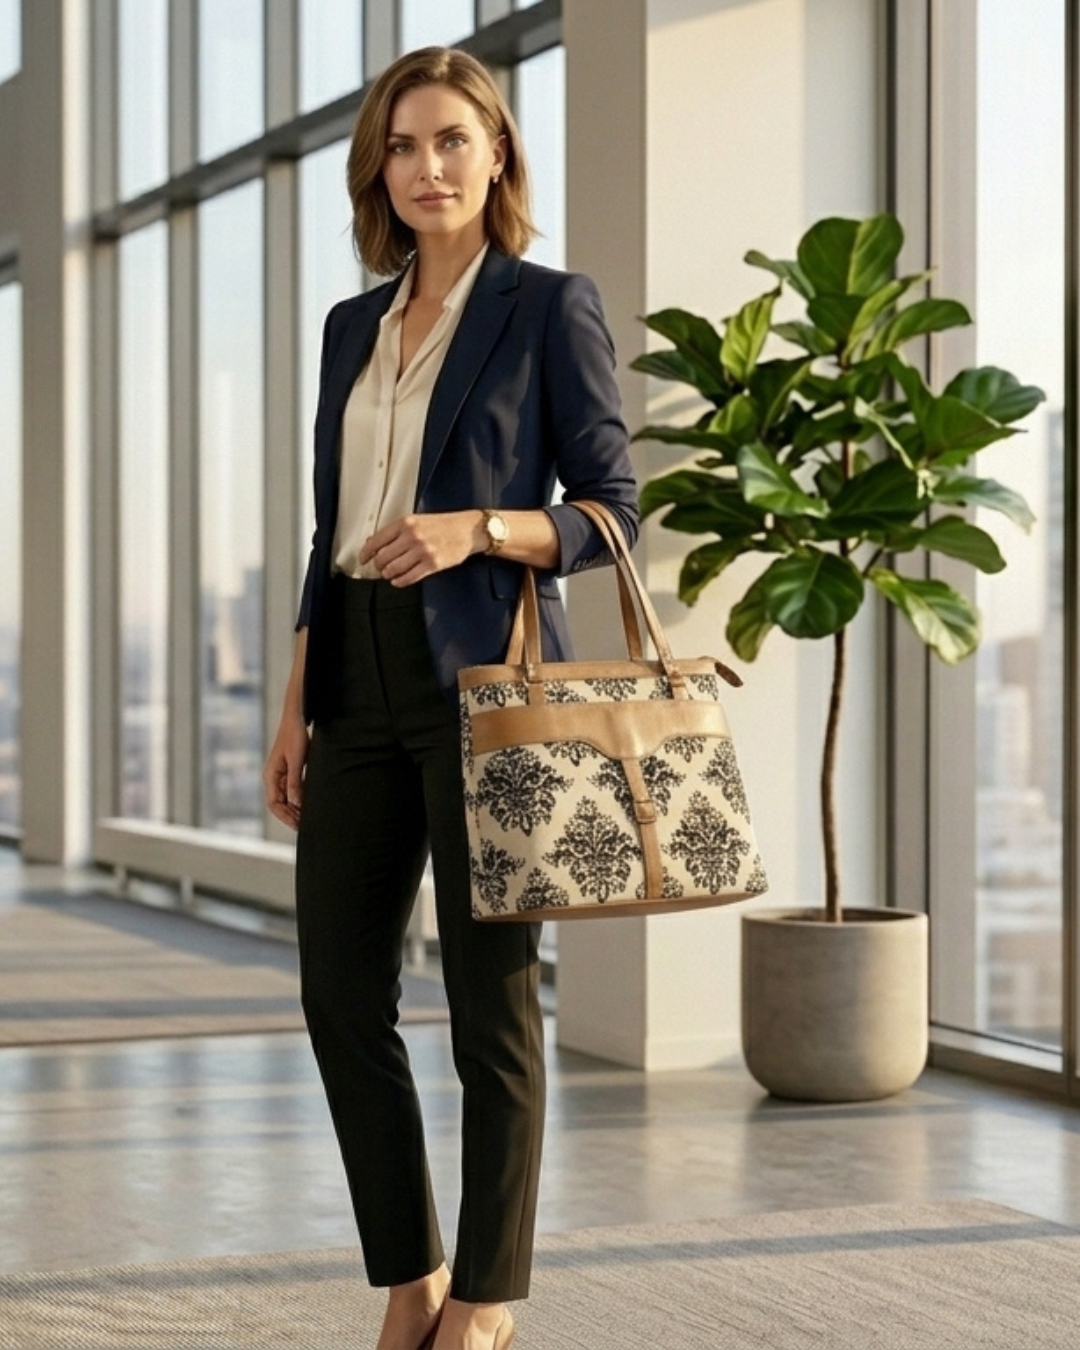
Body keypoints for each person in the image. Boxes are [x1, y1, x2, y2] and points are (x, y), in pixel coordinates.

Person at [263, 45, 638, 1350]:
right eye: (404, 144)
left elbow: (612, 514)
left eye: (452, 142)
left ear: (496, 157)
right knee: (337, 990)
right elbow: (329, 531)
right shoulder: (348, 329)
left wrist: (481, 525)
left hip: (492, 684)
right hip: (355, 671)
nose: (428, 167)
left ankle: (485, 1301)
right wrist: (296, 699)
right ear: (380, 165)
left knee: (492, 1003)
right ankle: (409, 1272)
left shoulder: (547, 305)